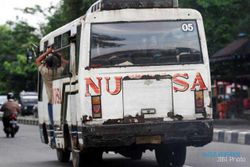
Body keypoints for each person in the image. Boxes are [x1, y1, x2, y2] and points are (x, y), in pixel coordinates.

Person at [35, 47, 68, 146]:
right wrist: (57, 54)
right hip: (60, 101)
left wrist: (47, 52)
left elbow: (37, 60)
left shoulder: (45, 72)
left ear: (47, 64)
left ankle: (53, 140)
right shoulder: (59, 72)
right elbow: (66, 62)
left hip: (51, 102)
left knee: (53, 122)